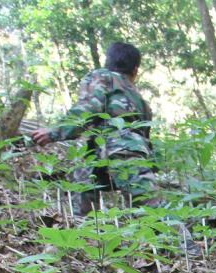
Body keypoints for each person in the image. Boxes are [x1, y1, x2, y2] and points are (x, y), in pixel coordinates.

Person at [30, 42, 160, 215]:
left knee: (153, 211)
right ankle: (89, 235)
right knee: (149, 209)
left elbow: (89, 107)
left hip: (113, 150)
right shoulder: (138, 99)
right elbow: (145, 137)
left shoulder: (103, 76)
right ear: (135, 70)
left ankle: (87, 234)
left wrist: (55, 132)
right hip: (116, 154)